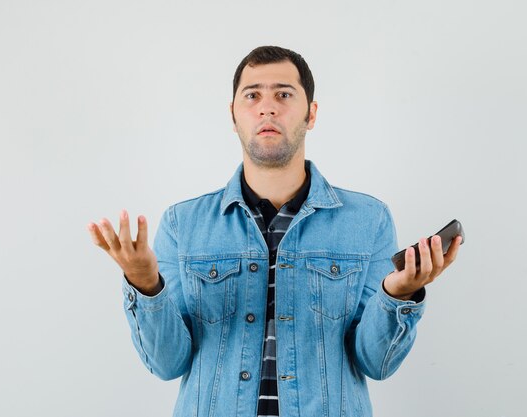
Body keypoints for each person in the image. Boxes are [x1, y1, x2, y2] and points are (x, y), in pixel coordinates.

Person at [87, 45, 462, 417]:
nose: (267, 107)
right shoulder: (182, 224)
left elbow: (376, 363)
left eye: (284, 94)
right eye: (252, 95)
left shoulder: (368, 219)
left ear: (311, 113)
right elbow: (167, 363)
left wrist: (399, 294)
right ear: (233, 115)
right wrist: (144, 283)